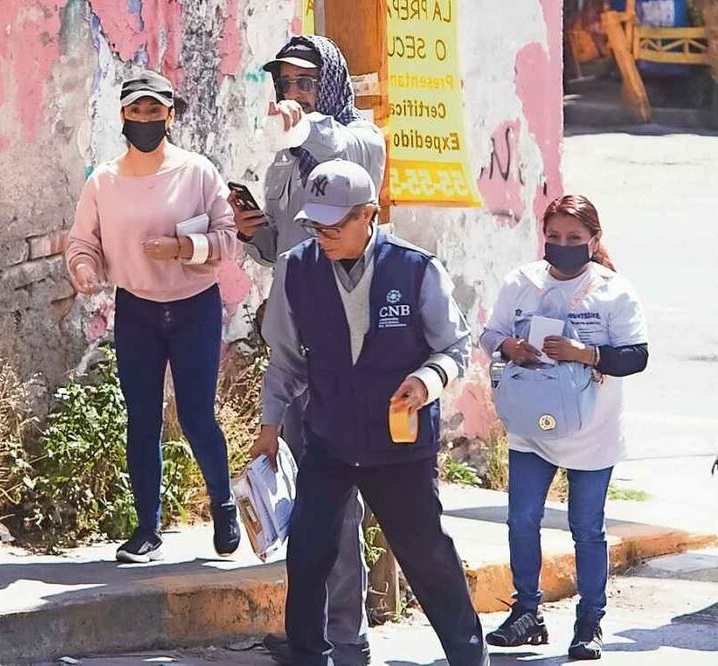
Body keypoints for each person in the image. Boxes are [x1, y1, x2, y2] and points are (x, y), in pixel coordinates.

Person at [250, 159, 488, 666]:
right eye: (316, 224)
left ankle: (469, 656)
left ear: (369, 215)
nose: (324, 235)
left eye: (336, 225)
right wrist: (269, 427)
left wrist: (426, 382)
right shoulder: (296, 267)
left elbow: (455, 347)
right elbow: (287, 360)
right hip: (329, 439)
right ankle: (311, 656)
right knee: (309, 554)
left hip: (399, 447)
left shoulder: (416, 268)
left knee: (427, 557)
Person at [231, 35, 386, 666]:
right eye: (284, 83)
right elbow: (279, 249)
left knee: (339, 500)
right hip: (296, 340)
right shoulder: (282, 163)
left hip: (348, 346)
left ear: (328, 85)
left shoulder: (357, 140)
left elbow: (334, 155)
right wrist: (252, 230)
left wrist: (307, 127)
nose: (290, 94)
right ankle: (309, 631)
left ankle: (347, 637)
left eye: (304, 82)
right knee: (302, 499)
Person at [65, 71, 241, 564]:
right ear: (123, 115)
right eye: (136, 110)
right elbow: (84, 241)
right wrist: (83, 267)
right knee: (141, 419)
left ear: (170, 114)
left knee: (196, 416)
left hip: (194, 306)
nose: (145, 118)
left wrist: (183, 247)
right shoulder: (104, 180)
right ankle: (146, 529)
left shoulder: (197, 171)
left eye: (154, 110)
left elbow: (228, 239)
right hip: (137, 308)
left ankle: (223, 503)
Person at [481, 195, 649, 661]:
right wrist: (509, 346)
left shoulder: (614, 291)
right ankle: (526, 614)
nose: (562, 245)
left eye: (574, 238)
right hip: (529, 427)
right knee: (522, 520)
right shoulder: (521, 282)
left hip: (591, 432)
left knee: (586, 529)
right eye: (553, 236)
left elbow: (636, 356)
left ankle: (589, 621)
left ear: (594, 241)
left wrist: (586, 354)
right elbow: (489, 333)